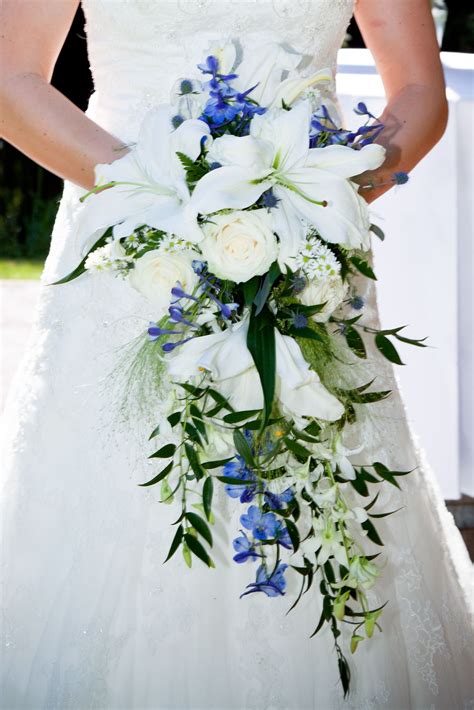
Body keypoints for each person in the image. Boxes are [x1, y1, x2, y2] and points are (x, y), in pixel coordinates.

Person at [0, 1, 472, 708]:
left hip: (305, 241)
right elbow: (12, 80)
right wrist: (164, 200)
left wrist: (325, 190)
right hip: (129, 247)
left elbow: (419, 91)